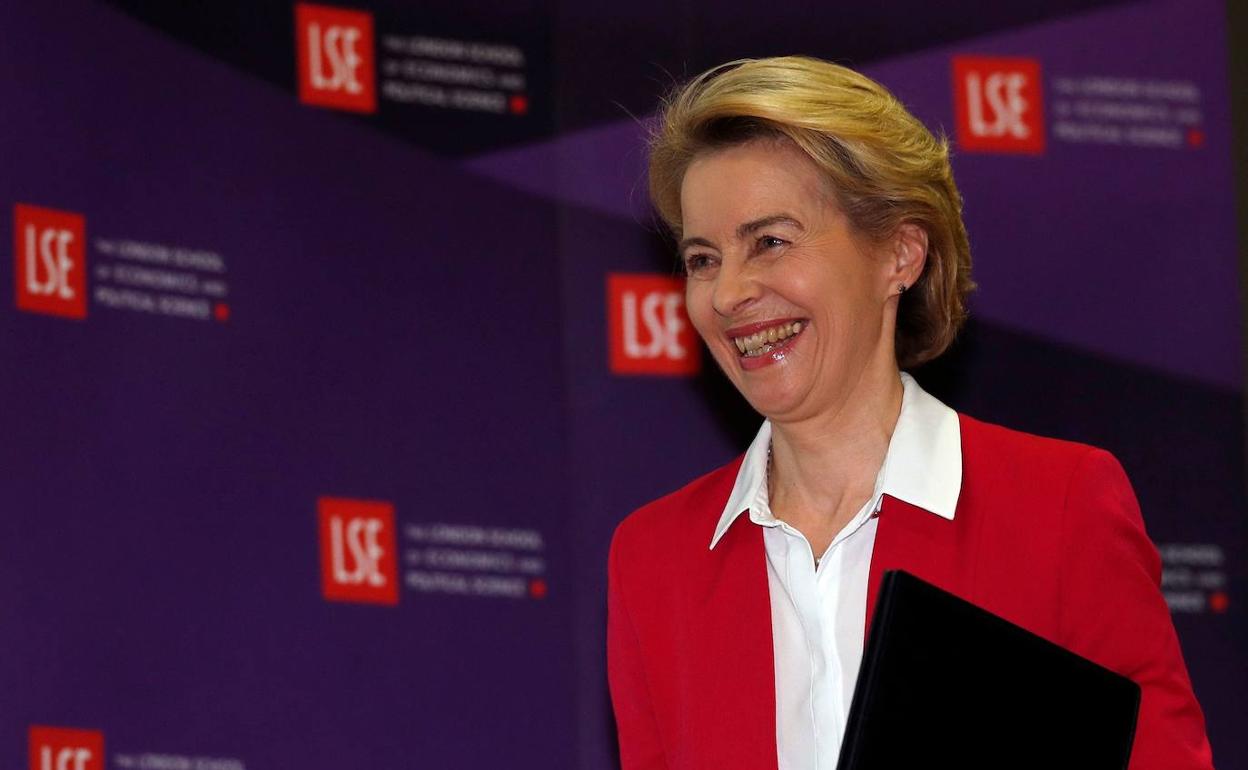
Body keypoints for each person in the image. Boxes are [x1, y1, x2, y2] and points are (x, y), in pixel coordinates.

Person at [606, 55, 1213, 770]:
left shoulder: (1060, 506)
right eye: (703, 259)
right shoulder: (654, 560)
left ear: (899, 253)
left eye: (769, 242)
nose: (728, 293)